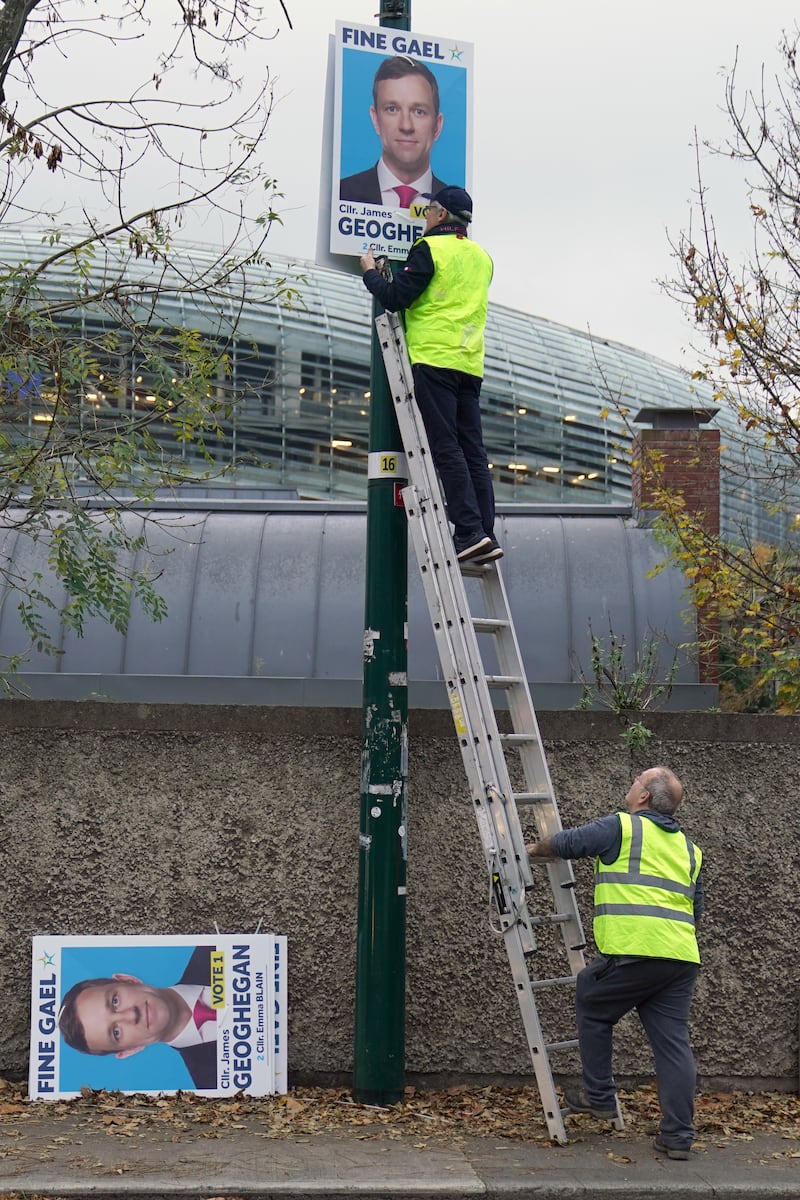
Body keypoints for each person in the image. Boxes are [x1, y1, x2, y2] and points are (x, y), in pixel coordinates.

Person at [527, 766, 703, 1160]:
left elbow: (570, 843)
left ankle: (599, 1095)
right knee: (673, 1046)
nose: (632, 783)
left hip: (636, 951)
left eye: (637, 780)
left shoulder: (623, 827)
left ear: (643, 797)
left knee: (591, 994)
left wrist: (531, 850)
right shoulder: (689, 849)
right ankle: (677, 1137)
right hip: (680, 958)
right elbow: (697, 908)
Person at [359, 185, 501, 563]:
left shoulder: (429, 250)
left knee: (445, 447)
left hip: (434, 359)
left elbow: (395, 297)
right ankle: (485, 532)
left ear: (439, 215)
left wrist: (370, 274)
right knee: (473, 451)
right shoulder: (482, 258)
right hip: (470, 364)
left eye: (426, 212)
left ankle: (468, 531)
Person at [57, 946, 217, 1090]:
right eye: (116, 1032)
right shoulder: (215, 1086)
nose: (131, 1015)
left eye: (115, 1001)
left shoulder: (215, 947)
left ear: (128, 980)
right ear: (129, 1050)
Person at [340, 55, 447, 209]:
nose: (406, 126)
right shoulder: (342, 193)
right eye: (392, 109)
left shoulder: (455, 209)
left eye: (419, 111)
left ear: (437, 125)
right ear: (375, 118)